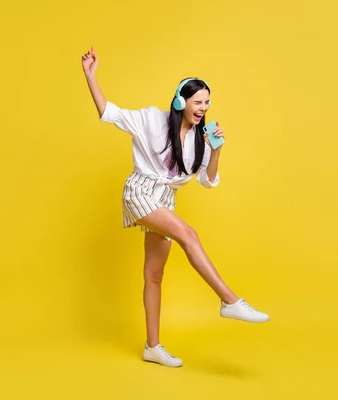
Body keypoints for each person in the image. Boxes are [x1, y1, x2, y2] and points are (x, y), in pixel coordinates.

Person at [81, 47, 269, 368]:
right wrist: (90, 75)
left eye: (207, 103)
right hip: (140, 192)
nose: (203, 108)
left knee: (154, 274)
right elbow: (108, 112)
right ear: (181, 101)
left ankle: (152, 347)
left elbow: (208, 181)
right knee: (188, 234)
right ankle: (229, 300)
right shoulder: (151, 120)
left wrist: (216, 149)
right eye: (198, 102)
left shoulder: (200, 137)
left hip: (165, 199)